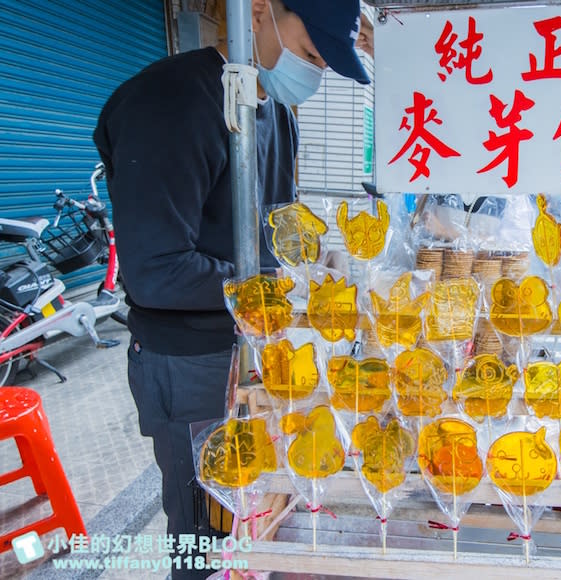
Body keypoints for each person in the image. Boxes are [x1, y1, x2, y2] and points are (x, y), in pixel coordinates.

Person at [93, 1, 371, 577]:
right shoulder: (171, 103)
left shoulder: (276, 110)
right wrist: (275, 289)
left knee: (256, 517)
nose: (314, 71)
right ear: (261, 12)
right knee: (205, 526)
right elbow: (157, 270)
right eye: (311, 51)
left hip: (253, 350)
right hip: (189, 360)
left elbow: (275, 228)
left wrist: (316, 263)